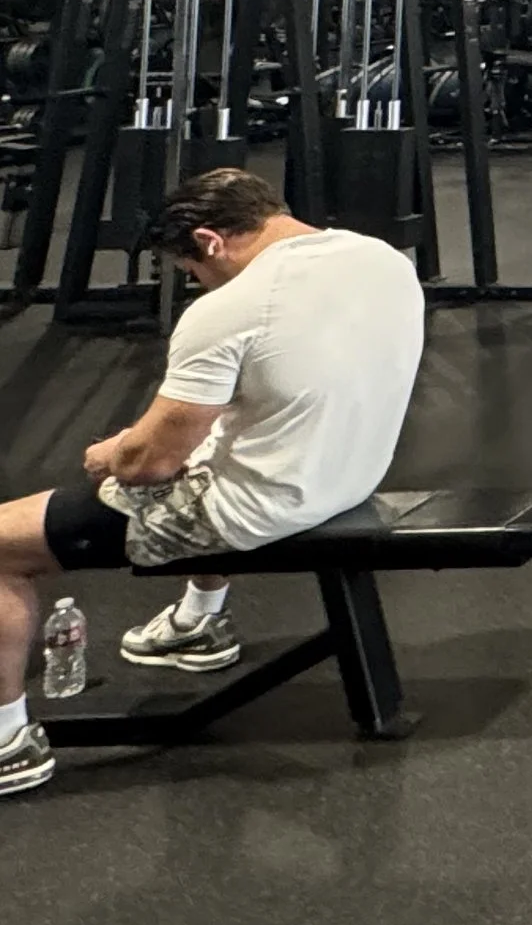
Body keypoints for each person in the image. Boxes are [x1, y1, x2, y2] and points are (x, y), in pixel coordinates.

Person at [0, 169, 425, 797]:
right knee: (216, 435)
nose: (197, 282)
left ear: (211, 240)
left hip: (258, 506)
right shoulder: (381, 259)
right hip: (346, 474)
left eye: (192, 269)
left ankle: (8, 742)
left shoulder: (229, 311)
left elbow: (149, 466)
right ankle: (199, 621)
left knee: (6, 543)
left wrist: (112, 452)